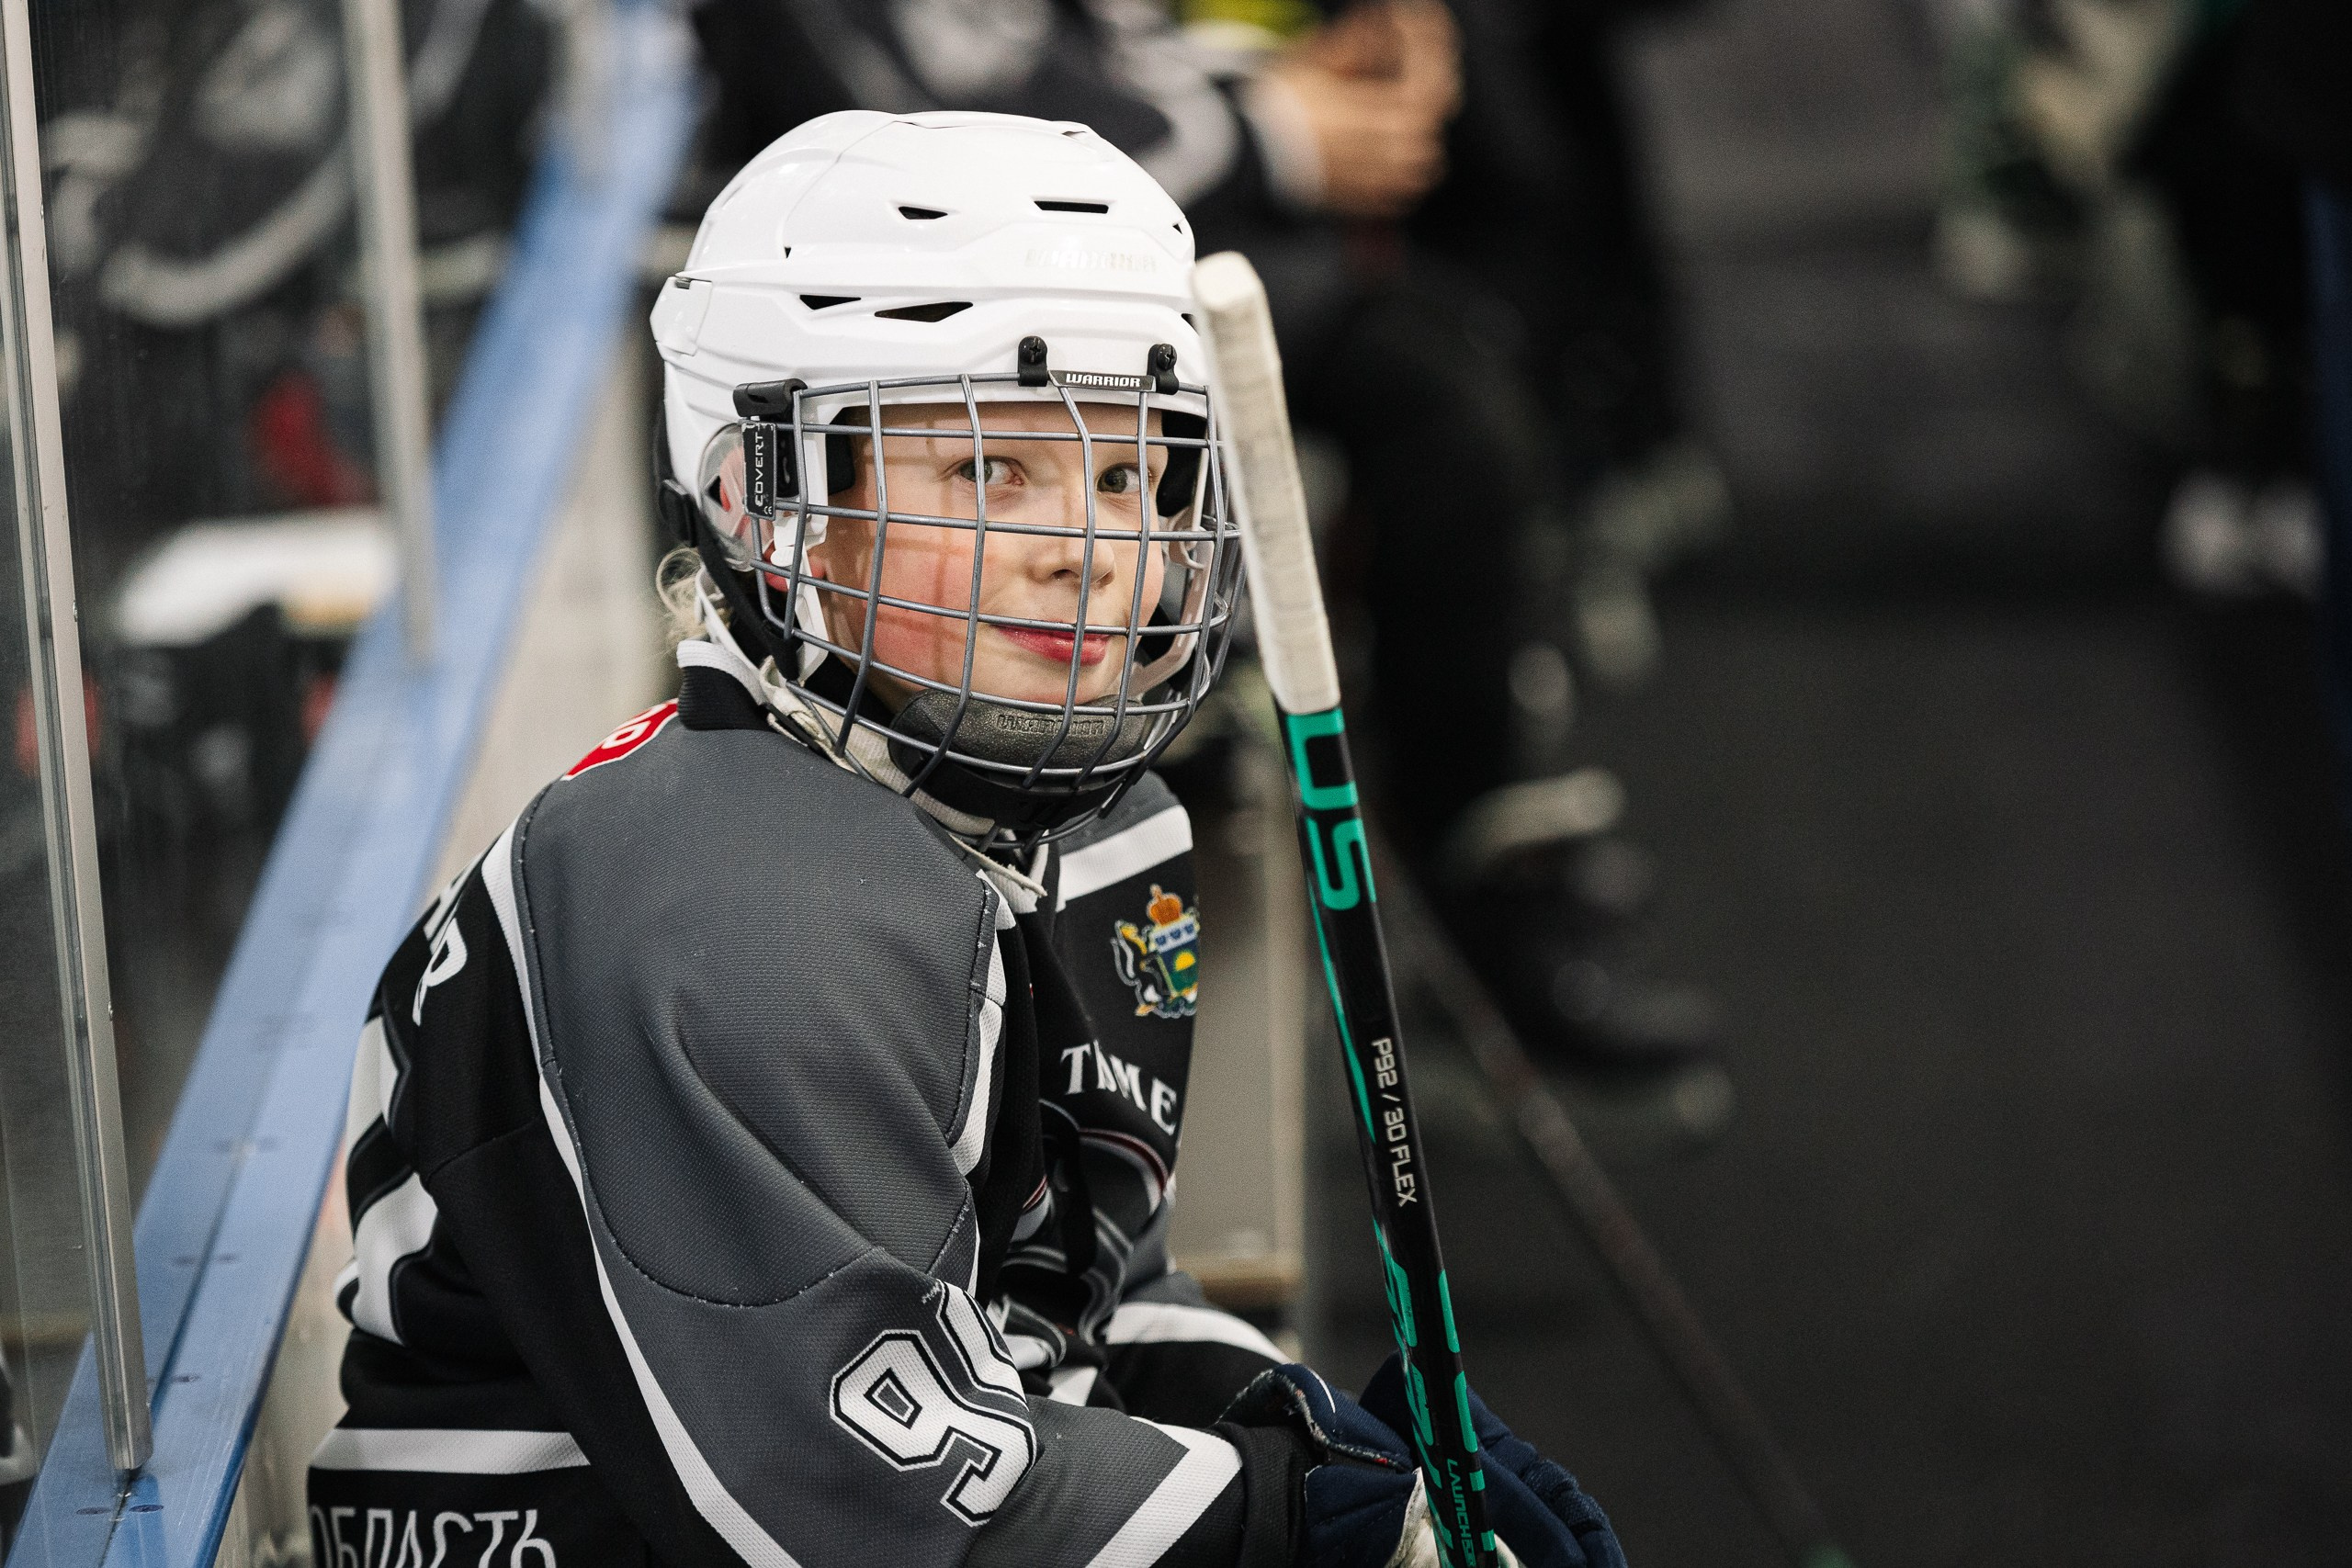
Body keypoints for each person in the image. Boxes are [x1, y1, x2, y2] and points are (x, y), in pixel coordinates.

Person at [305, 112, 1625, 1568]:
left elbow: (1069, 1300)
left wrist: (1315, 1430)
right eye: (991, 475)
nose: (1089, 546)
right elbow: (876, 1503)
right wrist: (1314, 1519)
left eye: (1128, 476)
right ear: (764, 497)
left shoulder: (1084, 824)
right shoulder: (719, 907)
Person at [682, 0, 1723, 1076]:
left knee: (1459, 345)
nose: (1086, 549)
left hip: (1122, 267)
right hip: (964, 327)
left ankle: (1472, 850)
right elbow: (916, 156)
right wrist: (1268, 132)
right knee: (1424, 399)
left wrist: (1287, 82)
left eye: (1127, 491)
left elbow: (1104, 54)